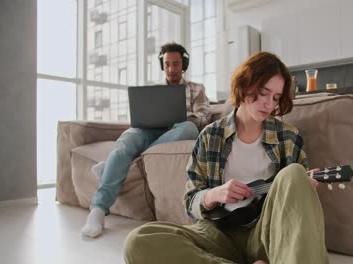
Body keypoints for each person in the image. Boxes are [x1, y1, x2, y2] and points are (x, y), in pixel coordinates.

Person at [123, 52, 328, 263]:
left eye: (276, 98)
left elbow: (297, 213)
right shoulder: (211, 136)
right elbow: (190, 201)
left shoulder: (288, 137)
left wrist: (301, 187)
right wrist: (214, 194)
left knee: (294, 173)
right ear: (245, 84)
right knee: (138, 241)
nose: (269, 104)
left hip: (266, 233)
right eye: (263, 92)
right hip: (218, 232)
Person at [81, 42, 211, 238]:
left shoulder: (196, 89)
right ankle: (98, 209)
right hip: (150, 130)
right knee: (129, 137)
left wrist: (181, 115)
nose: (171, 69)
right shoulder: (154, 90)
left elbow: (204, 116)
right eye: (167, 64)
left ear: (183, 64)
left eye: (175, 64)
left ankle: (111, 165)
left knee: (189, 128)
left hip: (178, 131)